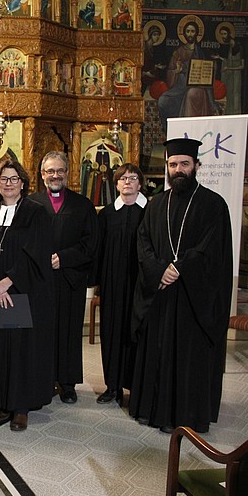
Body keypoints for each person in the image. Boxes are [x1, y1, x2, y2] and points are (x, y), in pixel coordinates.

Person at [129, 138, 232, 434]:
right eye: (173, 165)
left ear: (196, 166)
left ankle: (187, 414)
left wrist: (179, 267)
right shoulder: (157, 203)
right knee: (158, 351)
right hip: (160, 293)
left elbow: (212, 248)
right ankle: (153, 410)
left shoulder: (213, 205)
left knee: (188, 357)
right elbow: (144, 242)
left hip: (192, 297)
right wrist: (160, 269)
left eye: (184, 164)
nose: (178, 170)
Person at [0, 158, 54, 431]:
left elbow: (37, 252)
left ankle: (20, 407)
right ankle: (1, 400)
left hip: (22, 291)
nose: (8, 184)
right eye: (3, 179)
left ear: (23, 183)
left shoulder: (35, 212)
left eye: (14, 179)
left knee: (21, 349)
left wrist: (8, 281)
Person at [31, 151, 98, 405]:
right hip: (41, 280)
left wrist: (65, 258)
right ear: (42, 174)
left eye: (59, 170)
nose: (55, 175)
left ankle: (68, 383)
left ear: (67, 173)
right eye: (50, 171)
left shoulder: (83, 205)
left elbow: (91, 243)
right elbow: (24, 241)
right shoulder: (33, 204)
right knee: (44, 331)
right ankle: (45, 379)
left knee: (69, 331)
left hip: (71, 279)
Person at [93, 163, 147, 405]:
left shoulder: (149, 212)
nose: (128, 182)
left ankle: (136, 387)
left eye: (133, 178)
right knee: (112, 333)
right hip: (112, 283)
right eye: (123, 178)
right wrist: (97, 283)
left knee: (136, 333)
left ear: (140, 184)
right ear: (116, 184)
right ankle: (112, 386)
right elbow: (98, 250)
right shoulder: (106, 215)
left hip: (140, 285)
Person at [157, 18, 217, 133]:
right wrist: (176, 71)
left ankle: (192, 132)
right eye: (188, 31)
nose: (190, 34)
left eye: (192, 31)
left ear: (196, 33)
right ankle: (171, 132)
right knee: (163, 101)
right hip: (180, 86)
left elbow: (206, 74)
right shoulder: (178, 52)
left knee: (192, 94)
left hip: (197, 86)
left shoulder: (201, 52)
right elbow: (170, 75)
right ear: (184, 33)